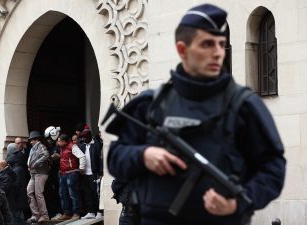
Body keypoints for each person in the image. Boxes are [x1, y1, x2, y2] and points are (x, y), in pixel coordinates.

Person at [106, 3, 286, 225]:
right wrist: (144, 155)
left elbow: (273, 168)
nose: (218, 52)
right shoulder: (150, 104)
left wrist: (238, 203)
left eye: (221, 44)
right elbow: (115, 158)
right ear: (183, 50)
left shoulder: (244, 107)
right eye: (207, 44)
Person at [55, 134, 85, 220]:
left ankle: (77, 213)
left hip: (72, 173)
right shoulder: (62, 148)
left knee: (73, 194)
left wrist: (81, 168)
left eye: (59, 140)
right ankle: (67, 213)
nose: (58, 142)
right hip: (63, 173)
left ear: (64, 141)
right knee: (63, 194)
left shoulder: (72, 147)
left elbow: (82, 156)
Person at [78, 129, 103, 219]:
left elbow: (100, 160)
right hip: (85, 174)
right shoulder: (81, 146)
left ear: (89, 137)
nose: (83, 139)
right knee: (87, 193)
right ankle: (91, 211)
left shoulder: (96, 145)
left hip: (94, 173)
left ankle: (99, 211)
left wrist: (101, 173)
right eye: (82, 137)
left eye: (85, 137)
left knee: (96, 193)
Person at [26, 131, 50, 224]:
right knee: (29, 192)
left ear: (36, 140)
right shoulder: (34, 148)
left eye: (32, 140)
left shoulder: (41, 146)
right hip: (34, 174)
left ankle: (44, 215)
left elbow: (46, 155)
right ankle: (36, 215)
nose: (30, 142)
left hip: (40, 173)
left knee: (38, 194)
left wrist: (36, 164)